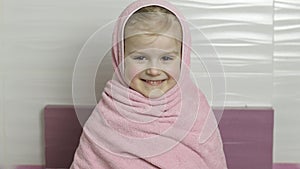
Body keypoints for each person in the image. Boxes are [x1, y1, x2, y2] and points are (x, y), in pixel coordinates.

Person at [70, 0, 228, 168]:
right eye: (140, 57)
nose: (153, 70)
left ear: (183, 59)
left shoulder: (194, 107)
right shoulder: (109, 110)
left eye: (166, 58)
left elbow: (212, 159)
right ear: (119, 57)